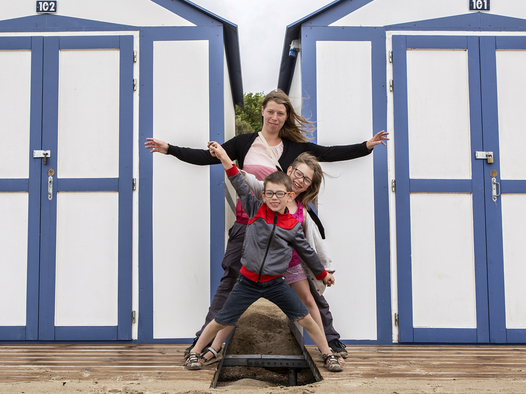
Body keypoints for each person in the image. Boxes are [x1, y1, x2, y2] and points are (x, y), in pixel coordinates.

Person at [145, 89, 389, 357]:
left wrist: (365, 146)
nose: (274, 117)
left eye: (280, 113)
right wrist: (169, 149)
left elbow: (327, 152)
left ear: (286, 117)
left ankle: (329, 341)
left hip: (285, 228)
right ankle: (202, 344)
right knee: (229, 284)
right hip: (246, 223)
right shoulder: (244, 143)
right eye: (271, 111)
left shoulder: (294, 148)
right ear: (262, 111)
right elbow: (208, 157)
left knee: (307, 287)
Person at [184, 143, 342, 372]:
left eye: (280, 194)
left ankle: (328, 354)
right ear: (263, 193)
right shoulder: (254, 207)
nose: (274, 198)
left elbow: (308, 251)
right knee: (221, 319)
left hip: (275, 283)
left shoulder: (292, 224)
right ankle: (196, 352)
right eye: (269, 193)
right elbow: (237, 180)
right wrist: (223, 156)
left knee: (305, 317)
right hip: (247, 282)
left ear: (288, 195)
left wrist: (322, 273)